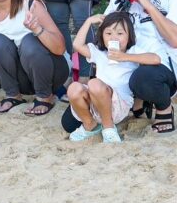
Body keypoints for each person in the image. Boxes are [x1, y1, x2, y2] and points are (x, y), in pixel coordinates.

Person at [61, 0, 177, 136]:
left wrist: (144, 1)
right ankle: (135, 103)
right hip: (120, 68)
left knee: (143, 78)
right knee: (69, 123)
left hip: (156, 67)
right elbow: (106, 35)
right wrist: (123, 0)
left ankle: (164, 108)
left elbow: (176, 39)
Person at [68, 12, 161, 143]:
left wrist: (124, 57)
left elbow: (155, 59)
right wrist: (89, 21)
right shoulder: (99, 53)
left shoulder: (132, 51)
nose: (114, 38)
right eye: (109, 33)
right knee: (73, 88)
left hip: (118, 105)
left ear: (129, 36)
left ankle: (108, 127)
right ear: (102, 36)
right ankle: (90, 124)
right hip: (95, 105)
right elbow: (77, 45)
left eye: (120, 33)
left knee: (94, 83)